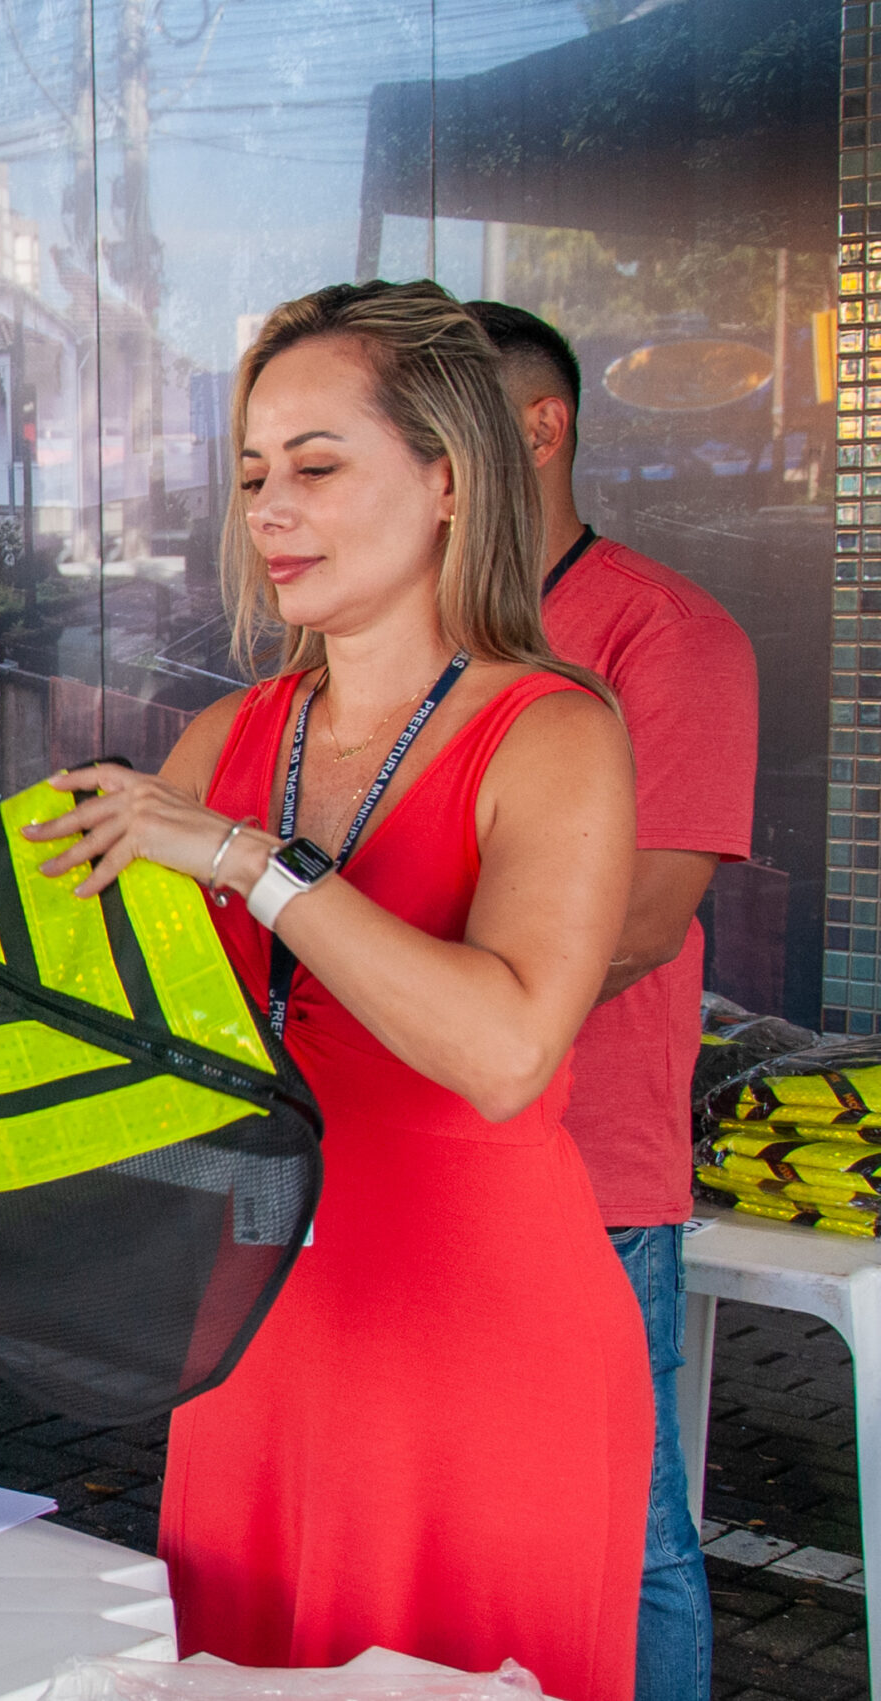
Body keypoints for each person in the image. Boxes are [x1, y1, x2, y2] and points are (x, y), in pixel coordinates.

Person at [21, 280, 649, 1698]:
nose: (270, 507)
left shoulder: (552, 732)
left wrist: (252, 860)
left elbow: (502, 1051)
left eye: (316, 465)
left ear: (446, 478)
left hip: (484, 1350)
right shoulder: (223, 737)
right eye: (252, 474)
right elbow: (117, 1033)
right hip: (257, 1349)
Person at [470, 300, 756, 1701]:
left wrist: (405, 990)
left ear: (541, 426)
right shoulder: (402, 639)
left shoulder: (663, 632)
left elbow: (638, 922)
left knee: (620, 1537)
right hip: (401, 1161)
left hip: (588, 1169)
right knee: (455, 1530)